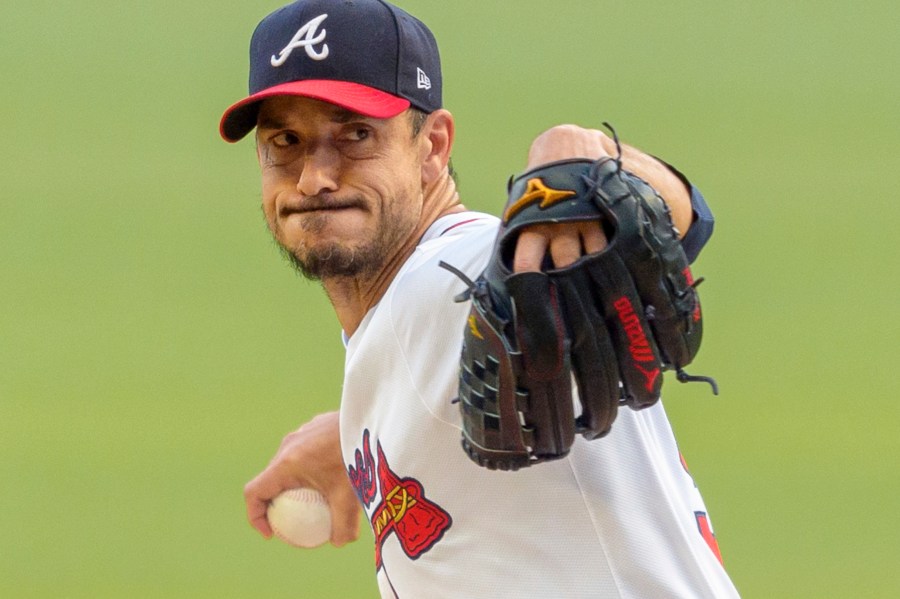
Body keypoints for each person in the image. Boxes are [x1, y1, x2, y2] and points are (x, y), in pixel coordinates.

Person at [220, 0, 739, 596]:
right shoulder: (403, 323)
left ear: (433, 146)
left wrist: (588, 159)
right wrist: (360, 435)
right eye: (284, 140)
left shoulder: (454, 273)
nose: (314, 177)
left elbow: (657, 232)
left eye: (357, 134)